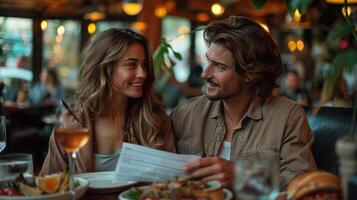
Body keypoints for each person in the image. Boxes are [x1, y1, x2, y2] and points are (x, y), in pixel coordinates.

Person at [170, 16, 316, 188]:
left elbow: (305, 184)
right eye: (208, 61)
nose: (205, 74)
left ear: (250, 73)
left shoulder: (288, 116)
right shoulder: (186, 113)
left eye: (220, 67)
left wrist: (244, 177)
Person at [40, 29, 175, 175]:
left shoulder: (155, 120)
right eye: (131, 65)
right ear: (105, 68)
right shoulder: (72, 123)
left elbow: (172, 181)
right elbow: (48, 182)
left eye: (144, 65)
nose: (143, 73)